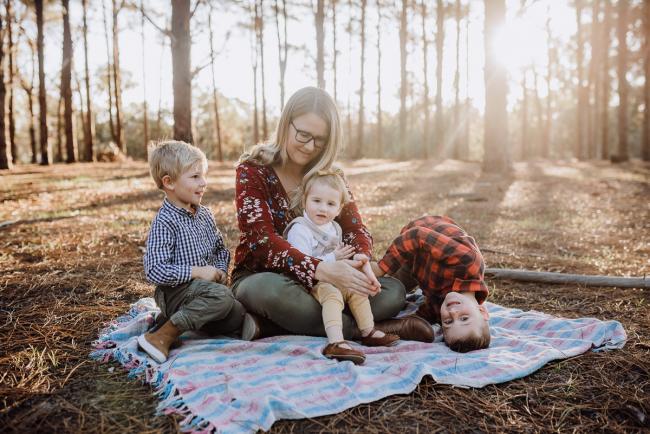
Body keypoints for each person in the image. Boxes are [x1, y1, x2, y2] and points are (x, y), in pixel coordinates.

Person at [231, 86, 433, 344]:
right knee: (265, 292)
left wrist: (360, 259)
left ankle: (272, 325)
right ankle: (373, 328)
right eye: (303, 134)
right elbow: (261, 241)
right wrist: (321, 269)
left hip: (332, 285)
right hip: (270, 278)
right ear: (286, 123)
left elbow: (355, 228)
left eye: (320, 140)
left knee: (393, 292)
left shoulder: (331, 176)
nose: (309, 146)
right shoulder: (253, 170)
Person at [137, 140, 248, 363]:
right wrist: (197, 272)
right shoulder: (165, 222)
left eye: (203, 176)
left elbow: (220, 249)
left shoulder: (205, 214)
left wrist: (218, 271)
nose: (203, 183)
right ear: (169, 182)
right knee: (221, 297)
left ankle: (175, 320)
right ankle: (161, 336)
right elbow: (155, 270)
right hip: (174, 292)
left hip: (204, 290)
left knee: (235, 311)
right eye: (195, 177)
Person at [284, 169, 400, 364]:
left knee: (358, 290)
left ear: (339, 209)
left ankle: (367, 330)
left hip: (337, 277)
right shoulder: (300, 229)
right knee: (333, 295)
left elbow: (346, 255)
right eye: (316, 201)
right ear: (304, 201)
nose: (323, 208)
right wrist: (333, 257)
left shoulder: (335, 228)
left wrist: (355, 265)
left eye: (330, 204)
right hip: (313, 282)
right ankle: (336, 342)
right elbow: (301, 263)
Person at [370, 215, 491, 352]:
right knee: (378, 278)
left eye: (448, 322)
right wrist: (382, 268)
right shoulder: (467, 262)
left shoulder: (442, 309)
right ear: (482, 311)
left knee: (384, 298)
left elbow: (414, 320)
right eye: (464, 318)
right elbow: (416, 235)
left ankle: (353, 322)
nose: (453, 312)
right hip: (424, 233)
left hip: (421, 268)